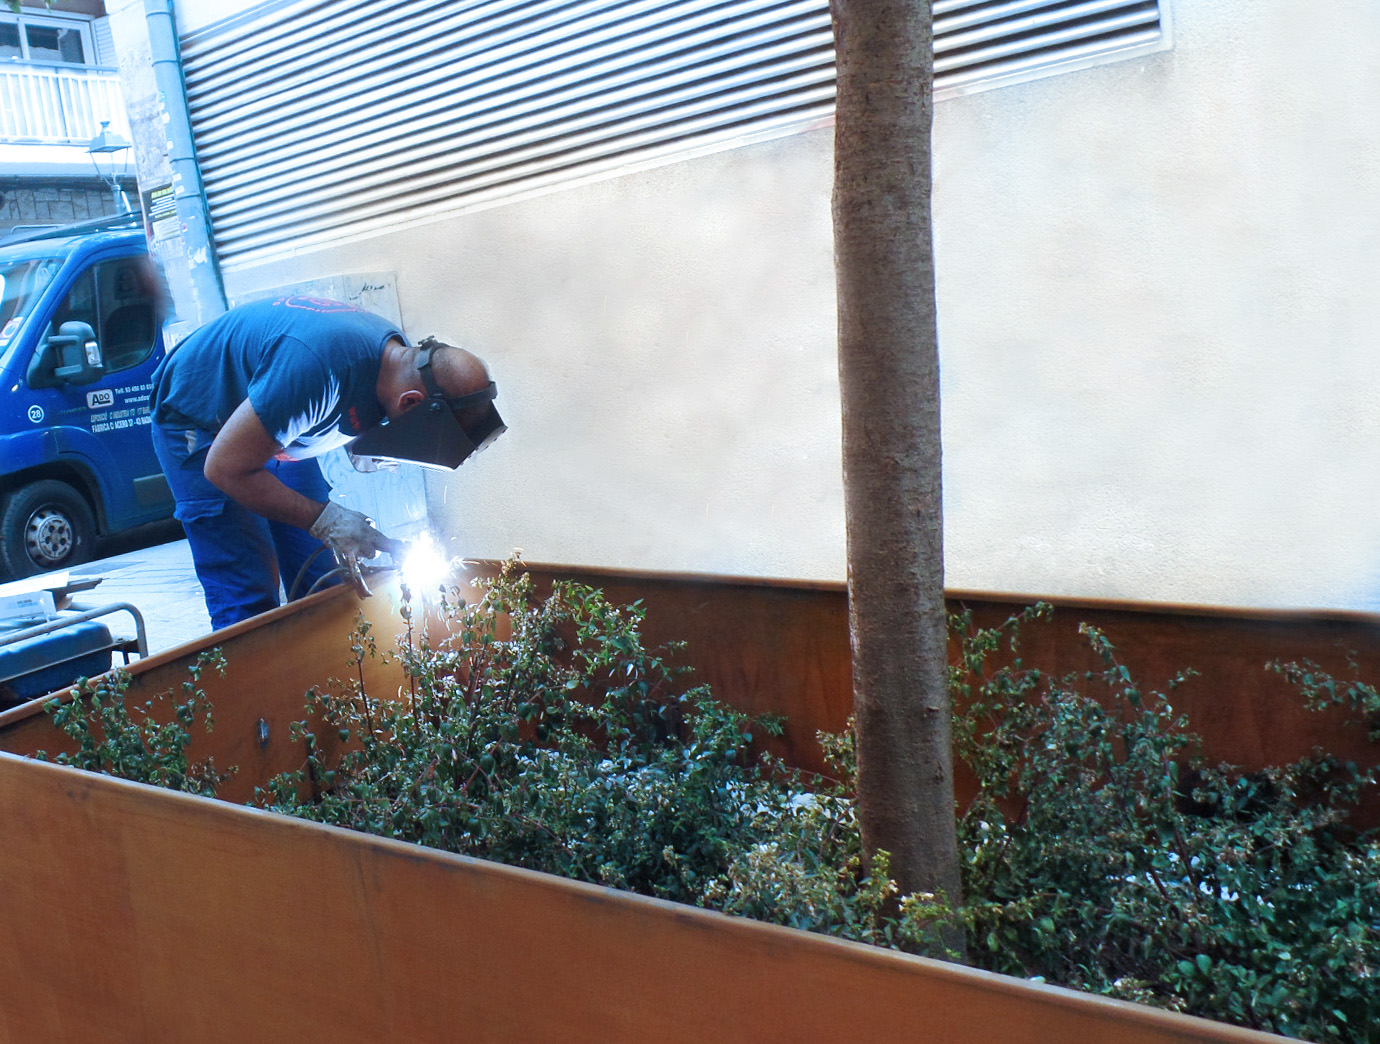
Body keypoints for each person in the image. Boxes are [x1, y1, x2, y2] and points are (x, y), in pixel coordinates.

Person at [149, 294, 504, 630]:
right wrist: (324, 519)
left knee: (321, 582)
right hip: (200, 420)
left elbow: (352, 403)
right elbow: (224, 467)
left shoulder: (397, 361)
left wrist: (362, 443)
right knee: (249, 594)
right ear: (411, 403)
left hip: (277, 422)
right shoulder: (317, 374)